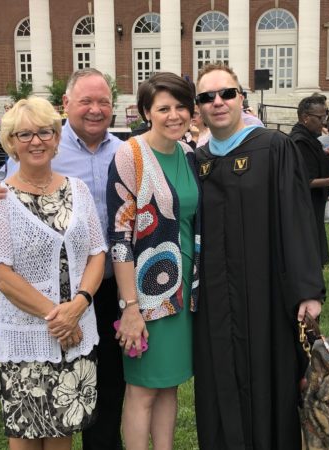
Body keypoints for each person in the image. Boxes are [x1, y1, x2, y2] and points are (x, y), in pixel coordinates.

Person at [0, 68, 125, 450]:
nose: (95, 109)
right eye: (86, 101)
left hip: (100, 292)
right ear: (67, 104)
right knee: (28, 428)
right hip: (36, 317)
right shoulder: (10, 186)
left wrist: (78, 306)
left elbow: (99, 248)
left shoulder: (124, 151)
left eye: (103, 101)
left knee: (102, 395)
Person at [194, 62, 325, 450]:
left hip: (266, 296)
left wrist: (307, 291)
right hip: (215, 301)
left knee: (271, 383)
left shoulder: (274, 147)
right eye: (207, 97)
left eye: (226, 93)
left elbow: (298, 219)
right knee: (219, 384)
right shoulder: (196, 161)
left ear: (241, 98)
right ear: (199, 107)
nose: (217, 102)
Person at [106, 72, 200, 449]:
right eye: (164, 108)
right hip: (147, 293)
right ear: (146, 111)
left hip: (185, 291)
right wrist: (130, 308)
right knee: (142, 389)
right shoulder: (130, 155)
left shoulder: (189, 153)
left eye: (181, 106)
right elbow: (120, 238)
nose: (174, 115)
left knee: (168, 384)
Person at [290, 95, 329, 266]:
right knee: (307, 255)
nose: (324, 122)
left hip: (313, 203)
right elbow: (303, 181)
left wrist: (323, 156)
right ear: (305, 118)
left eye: (325, 116)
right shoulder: (300, 141)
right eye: (320, 117)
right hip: (305, 205)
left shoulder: (308, 138)